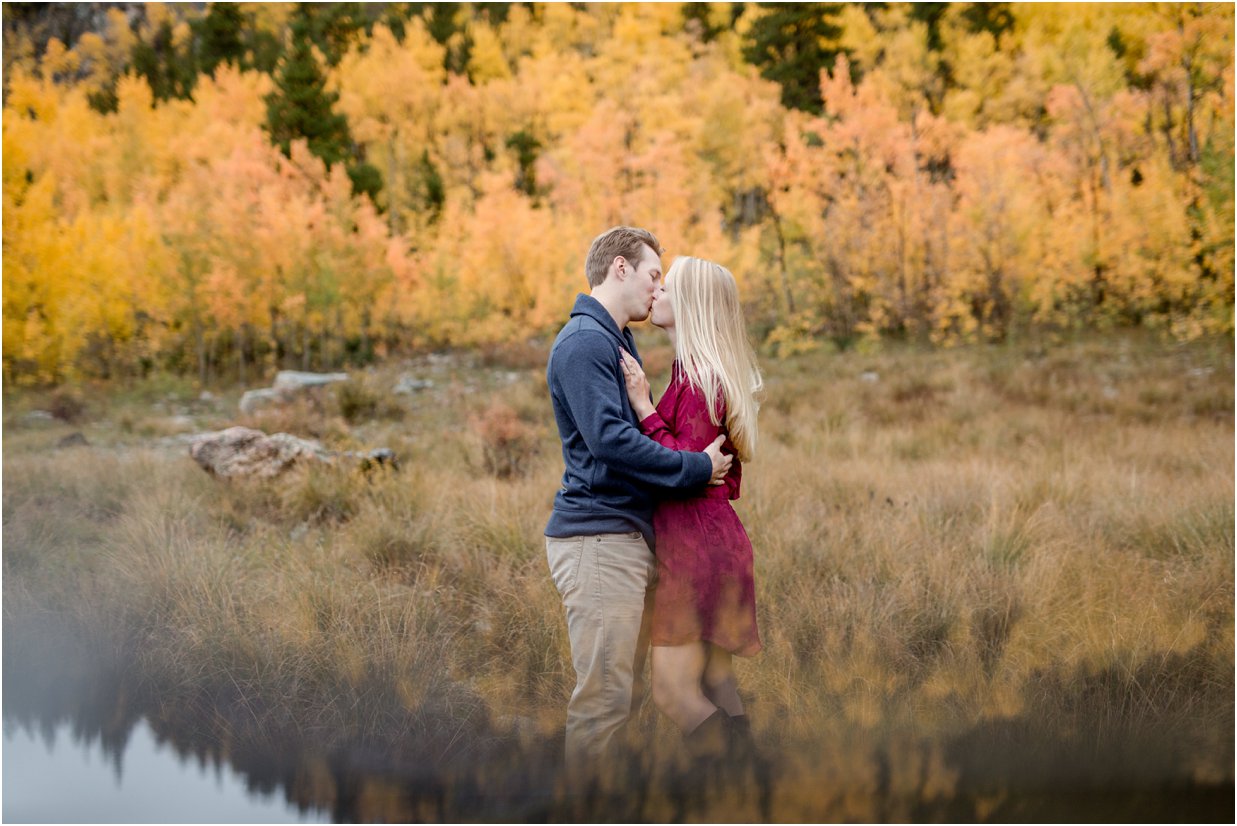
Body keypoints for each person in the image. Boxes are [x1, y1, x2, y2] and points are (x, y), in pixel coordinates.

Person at [544, 227, 734, 776]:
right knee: (603, 703)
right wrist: (697, 467)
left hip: (625, 539)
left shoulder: (614, 340)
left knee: (626, 698)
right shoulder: (584, 342)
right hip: (598, 541)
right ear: (620, 268)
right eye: (654, 274)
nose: (659, 288)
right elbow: (609, 441)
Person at [618, 255, 763, 775]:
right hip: (715, 544)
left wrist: (642, 407)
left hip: (697, 550)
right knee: (715, 680)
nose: (655, 293)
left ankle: (741, 788)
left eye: (667, 287)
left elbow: (686, 466)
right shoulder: (700, 374)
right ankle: (753, 790)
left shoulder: (701, 380)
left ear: (692, 305)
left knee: (674, 693)